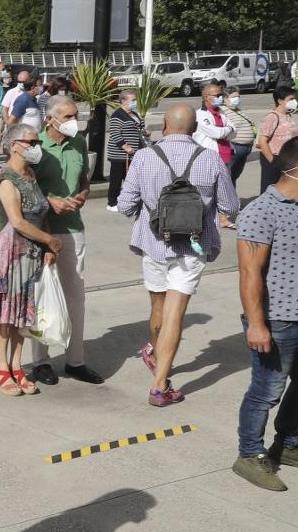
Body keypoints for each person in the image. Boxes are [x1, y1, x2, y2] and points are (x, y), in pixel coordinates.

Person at [116, 103, 238, 407]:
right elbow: (230, 207)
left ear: (165, 127)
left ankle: (157, 358)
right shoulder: (209, 159)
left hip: (154, 243)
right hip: (192, 247)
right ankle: (160, 386)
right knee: (175, 312)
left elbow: (125, 204)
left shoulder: (145, 157)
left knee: (158, 307)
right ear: (194, 128)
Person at [0, 124, 58, 396]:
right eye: (31, 141)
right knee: (7, 312)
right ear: (14, 144)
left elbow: (42, 213)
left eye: (37, 141)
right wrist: (49, 240)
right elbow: (17, 221)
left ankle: (18, 365)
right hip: (11, 253)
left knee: (23, 312)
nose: (36, 146)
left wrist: (47, 245)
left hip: (33, 252)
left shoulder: (29, 174)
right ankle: (1, 367)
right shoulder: (7, 178)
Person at [234, 137, 298, 491]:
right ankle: (249, 454)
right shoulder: (261, 211)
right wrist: (257, 324)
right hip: (277, 320)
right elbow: (249, 273)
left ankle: (288, 444)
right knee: (266, 391)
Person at [30, 94, 103, 386]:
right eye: (69, 115)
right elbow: (24, 186)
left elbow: (84, 177)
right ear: (51, 118)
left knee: (75, 299)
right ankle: (41, 362)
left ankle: (75, 361)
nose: (75, 120)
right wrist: (50, 201)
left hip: (73, 229)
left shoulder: (78, 142)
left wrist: (83, 194)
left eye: (76, 115)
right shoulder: (35, 145)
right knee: (42, 297)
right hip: (41, 231)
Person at [106, 89, 149, 212]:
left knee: (132, 178)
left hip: (134, 153)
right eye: (133, 100)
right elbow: (115, 133)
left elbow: (140, 128)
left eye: (136, 100)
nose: (135, 102)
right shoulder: (117, 115)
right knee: (116, 179)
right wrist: (125, 146)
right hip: (120, 154)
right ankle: (112, 202)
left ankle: (133, 200)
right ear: (123, 101)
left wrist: (145, 132)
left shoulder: (134, 114)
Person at [258, 86, 298, 194]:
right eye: (290, 99)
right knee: (270, 189)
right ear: (280, 101)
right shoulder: (272, 117)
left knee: (285, 190)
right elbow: (262, 142)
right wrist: (273, 162)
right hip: (274, 158)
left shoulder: (289, 115)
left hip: (288, 159)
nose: (294, 101)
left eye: (294, 99)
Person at [222, 86, 257, 193]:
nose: (237, 99)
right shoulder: (223, 111)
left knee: (234, 176)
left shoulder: (238, 110)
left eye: (238, 96)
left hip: (245, 148)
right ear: (225, 98)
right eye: (234, 97)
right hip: (235, 148)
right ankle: (228, 202)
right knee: (228, 176)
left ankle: (233, 199)